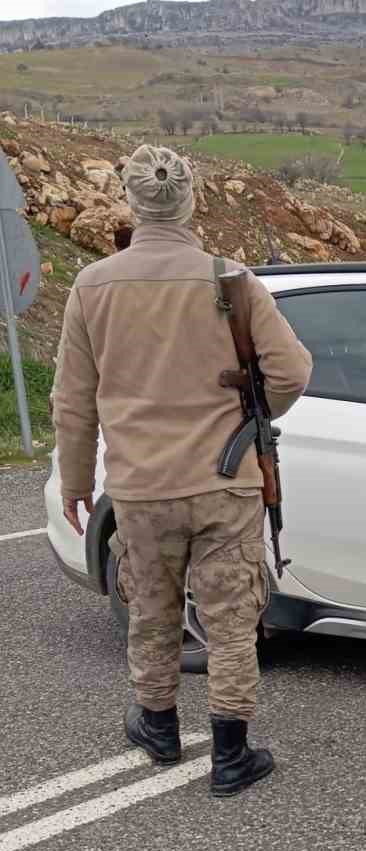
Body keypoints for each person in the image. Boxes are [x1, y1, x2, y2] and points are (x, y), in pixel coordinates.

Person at [52, 145, 313, 796]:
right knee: (229, 621)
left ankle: (159, 726)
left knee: (152, 610)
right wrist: (251, 412)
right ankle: (231, 754)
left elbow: (73, 401)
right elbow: (293, 371)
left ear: (132, 203)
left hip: (141, 487)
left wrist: (80, 483)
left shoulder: (93, 287)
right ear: (191, 200)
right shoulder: (232, 279)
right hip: (225, 482)